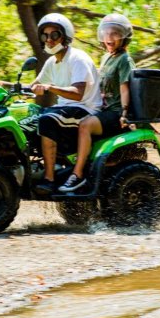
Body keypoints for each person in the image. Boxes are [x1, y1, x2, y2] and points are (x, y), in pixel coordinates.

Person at [58, 13, 135, 192]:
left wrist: (124, 113)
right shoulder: (106, 58)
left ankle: (77, 174)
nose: (109, 37)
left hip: (115, 112)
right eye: (106, 33)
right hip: (101, 109)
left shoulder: (124, 60)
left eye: (115, 33)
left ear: (124, 37)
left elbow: (125, 88)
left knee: (85, 126)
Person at [28, 13, 102, 194]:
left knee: (47, 120)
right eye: (45, 36)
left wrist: (50, 87)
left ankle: (49, 179)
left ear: (65, 36)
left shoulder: (78, 58)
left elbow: (78, 94)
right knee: (28, 121)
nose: (49, 40)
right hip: (66, 109)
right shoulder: (52, 62)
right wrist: (4, 85)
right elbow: (33, 86)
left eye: (54, 35)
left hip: (85, 109)